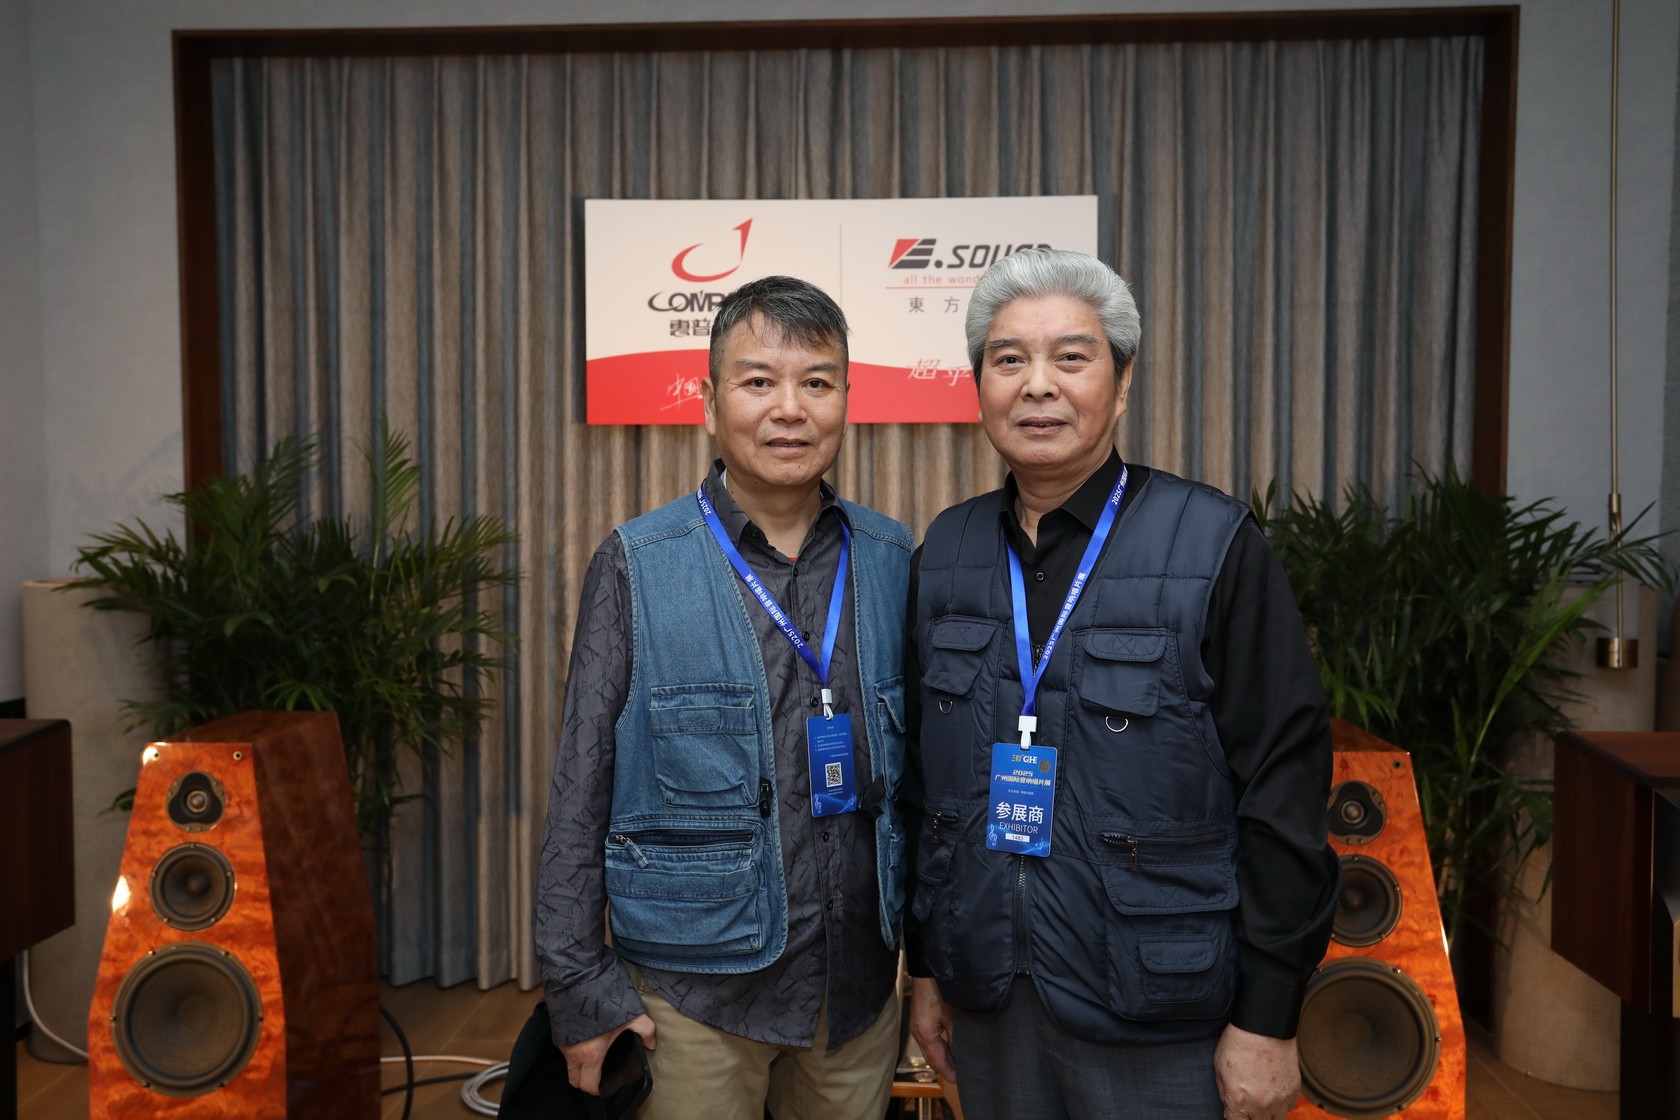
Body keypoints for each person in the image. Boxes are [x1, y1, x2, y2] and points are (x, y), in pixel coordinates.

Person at [904, 248, 1338, 1120]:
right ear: (979, 385)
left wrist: (1268, 1015)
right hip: (990, 995)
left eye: (1071, 357)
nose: (1038, 384)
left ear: (1124, 380)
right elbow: (926, 783)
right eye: (1009, 359)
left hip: (1162, 1008)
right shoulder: (945, 550)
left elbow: (1283, 791)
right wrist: (928, 969)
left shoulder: (1212, 542)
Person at [534, 275, 913, 1120]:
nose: (790, 409)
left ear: (846, 401)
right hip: (694, 994)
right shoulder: (638, 561)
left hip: (854, 992)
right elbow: (580, 783)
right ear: (709, 404)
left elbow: (923, 786)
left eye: (817, 382)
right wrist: (579, 985)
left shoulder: (892, 557)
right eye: (759, 381)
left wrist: (929, 965)